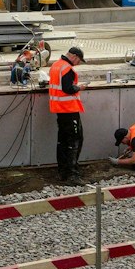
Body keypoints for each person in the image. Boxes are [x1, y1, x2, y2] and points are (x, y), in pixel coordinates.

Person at [49, 45, 86, 182]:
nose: (79, 63)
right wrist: (80, 87)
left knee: (63, 141)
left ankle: (63, 171)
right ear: (74, 57)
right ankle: (72, 174)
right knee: (74, 140)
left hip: (59, 109)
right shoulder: (67, 68)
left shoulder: (56, 65)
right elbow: (68, 89)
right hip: (69, 109)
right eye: (79, 60)